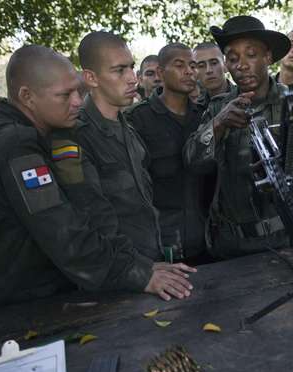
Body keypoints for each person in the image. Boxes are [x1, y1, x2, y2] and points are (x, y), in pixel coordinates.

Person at [0, 45, 174, 310]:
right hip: (11, 300)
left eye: (78, 92)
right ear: (27, 96)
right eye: (65, 95)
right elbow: (61, 230)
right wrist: (136, 273)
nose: (77, 102)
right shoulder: (17, 145)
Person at [52, 32, 196, 301]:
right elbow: (90, 222)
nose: (132, 77)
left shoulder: (126, 128)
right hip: (114, 284)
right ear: (91, 78)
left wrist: (152, 264)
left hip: (147, 270)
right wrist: (140, 272)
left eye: (131, 66)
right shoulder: (74, 138)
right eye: (119, 70)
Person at [183, 16, 293, 259]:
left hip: (282, 242)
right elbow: (193, 162)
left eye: (251, 55)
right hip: (228, 245)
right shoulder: (219, 108)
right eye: (233, 58)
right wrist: (218, 124)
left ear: (268, 57)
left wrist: (280, 176)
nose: (242, 65)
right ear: (227, 64)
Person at [126, 43, 214, 264]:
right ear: (160, 73)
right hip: (161, 247)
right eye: (179, 65)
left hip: (208, 242)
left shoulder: (204, 117)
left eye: (193, 66)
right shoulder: (137, 119)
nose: (189, 71)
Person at [193, 42, 234, 107]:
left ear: (225, 66)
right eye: (201, 66)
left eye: (214, 63)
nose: (209, 70)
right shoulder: (194, 107)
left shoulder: (244, 98)